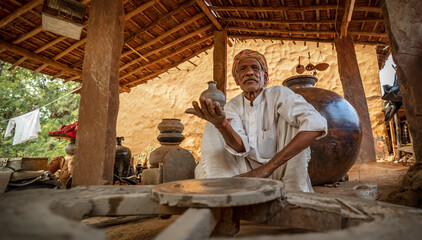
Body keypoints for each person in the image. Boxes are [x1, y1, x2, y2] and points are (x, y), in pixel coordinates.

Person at [186, 49, 327, 192]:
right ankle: (224, 192)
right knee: (212, 128)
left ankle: (294, 192)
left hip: (282, 170)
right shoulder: (232, 106)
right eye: (243, 69)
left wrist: (266, 169)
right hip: (244, 173)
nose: (249, 72)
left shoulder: (279, 94)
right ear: (237, 80)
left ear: (264, 77)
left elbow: (315, 123)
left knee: (297, 121)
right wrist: (222, 125)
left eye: (255, 68)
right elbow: (240, 147)